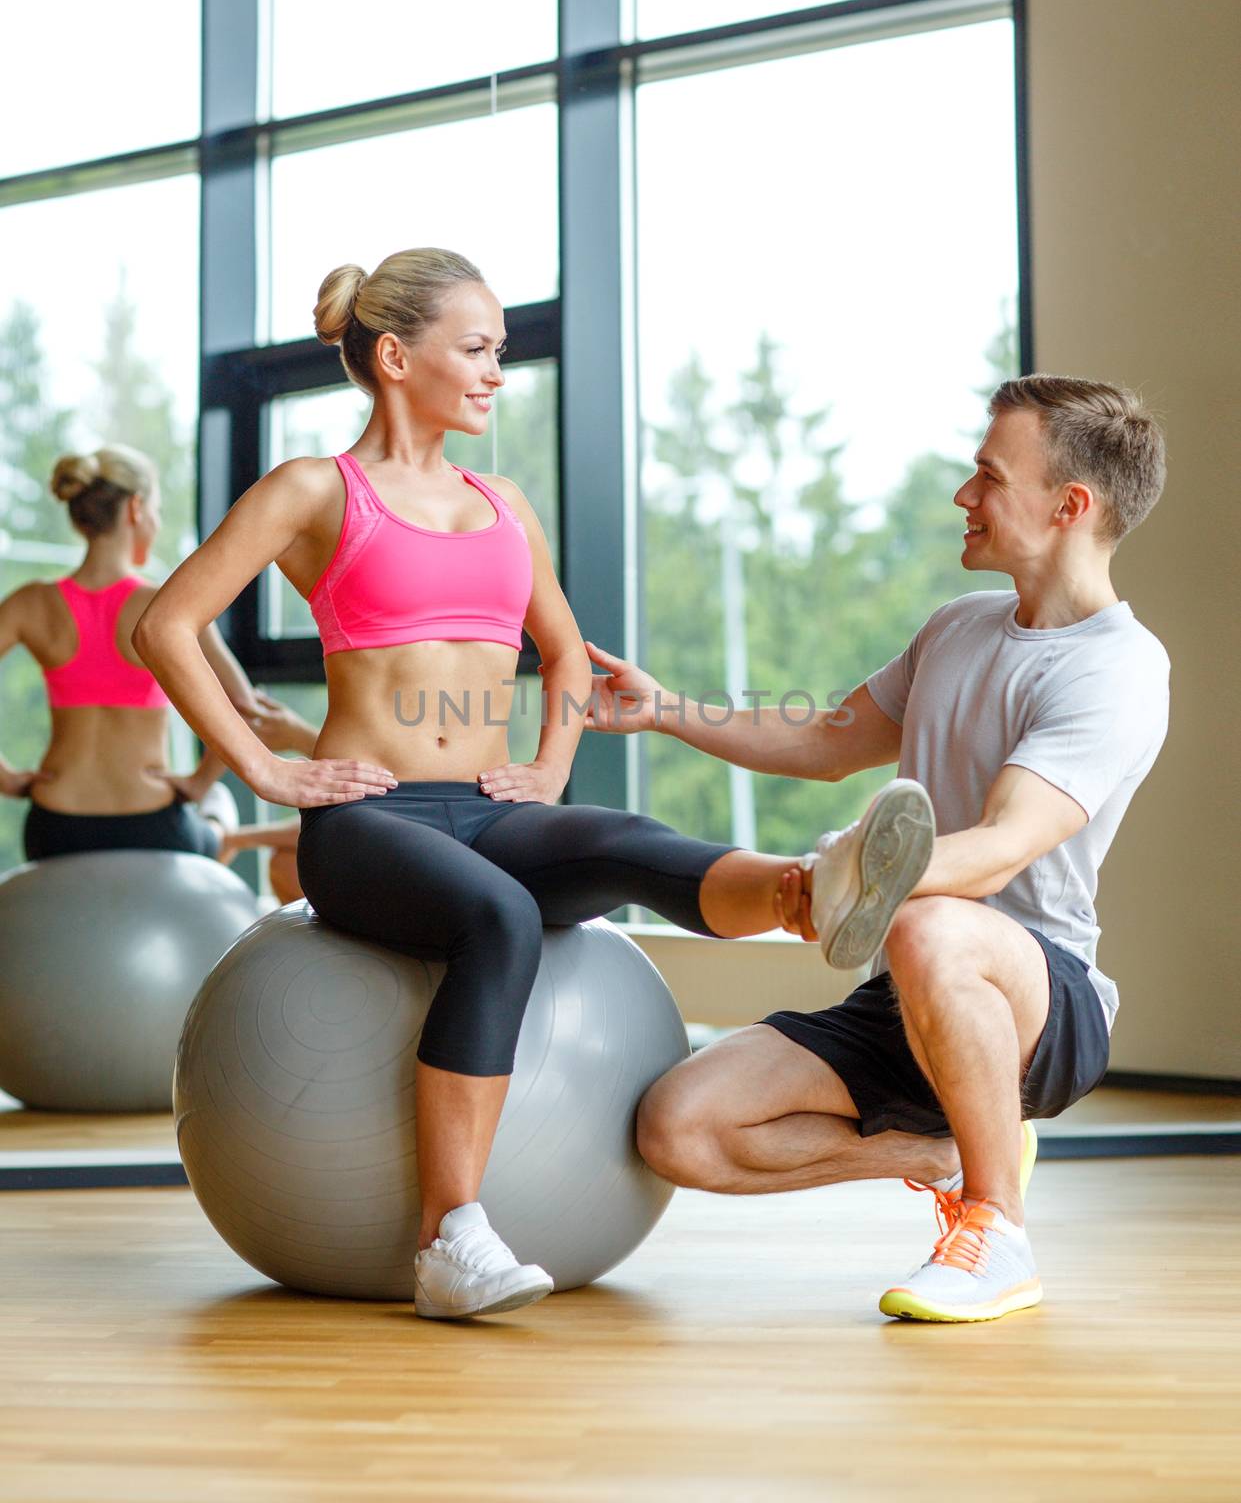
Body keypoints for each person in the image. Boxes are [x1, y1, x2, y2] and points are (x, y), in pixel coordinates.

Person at [130, 246, 876, 1322]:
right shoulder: (312, 489)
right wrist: (263, 768)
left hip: (488, 806)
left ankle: (810, 891)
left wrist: (547, 770)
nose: (494, 373)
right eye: (475, 349)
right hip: (364, 821)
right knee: (499, 916)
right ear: (395, 355)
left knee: (617, 836)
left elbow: (568, 655)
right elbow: (167, 624)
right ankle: (451, 1240)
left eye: (498, 353)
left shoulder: (502, 501)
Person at [584, 375, 1170, 1324]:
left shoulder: (1117, 668)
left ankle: (996, 1230)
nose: (962, 498)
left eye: (987, 476)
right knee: (678, 1129)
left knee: (937, 920)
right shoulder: (957, 627)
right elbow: (823, 740)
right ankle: (940, 1152)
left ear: (1070, 505)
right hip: (910, 983)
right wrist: (664, 711)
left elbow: (1002, 848)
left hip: (1040, 999)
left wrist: (859, 881)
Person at [0, 442, 313, 903]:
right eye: (158, 510)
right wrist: (198, 783)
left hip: (56, 824)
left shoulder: (31, 602)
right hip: (151, 822)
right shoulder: (164, 603)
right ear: (136, 508)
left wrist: (7, 779)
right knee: (217, 809)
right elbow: (248, 708)